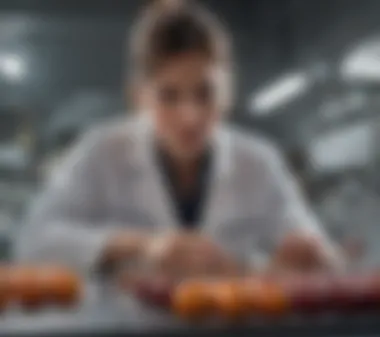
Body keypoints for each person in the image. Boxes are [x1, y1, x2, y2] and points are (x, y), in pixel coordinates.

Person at [15, 0, 343, 279]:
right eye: (168, 96)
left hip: (234, 336)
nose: (191, 116)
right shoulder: (102, 151)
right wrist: (142, 245)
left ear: (229, 89)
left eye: (206, 93)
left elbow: (315, 247)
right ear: (139, 97)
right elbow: (32, 241)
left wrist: (308, 256)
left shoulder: (259, 161)